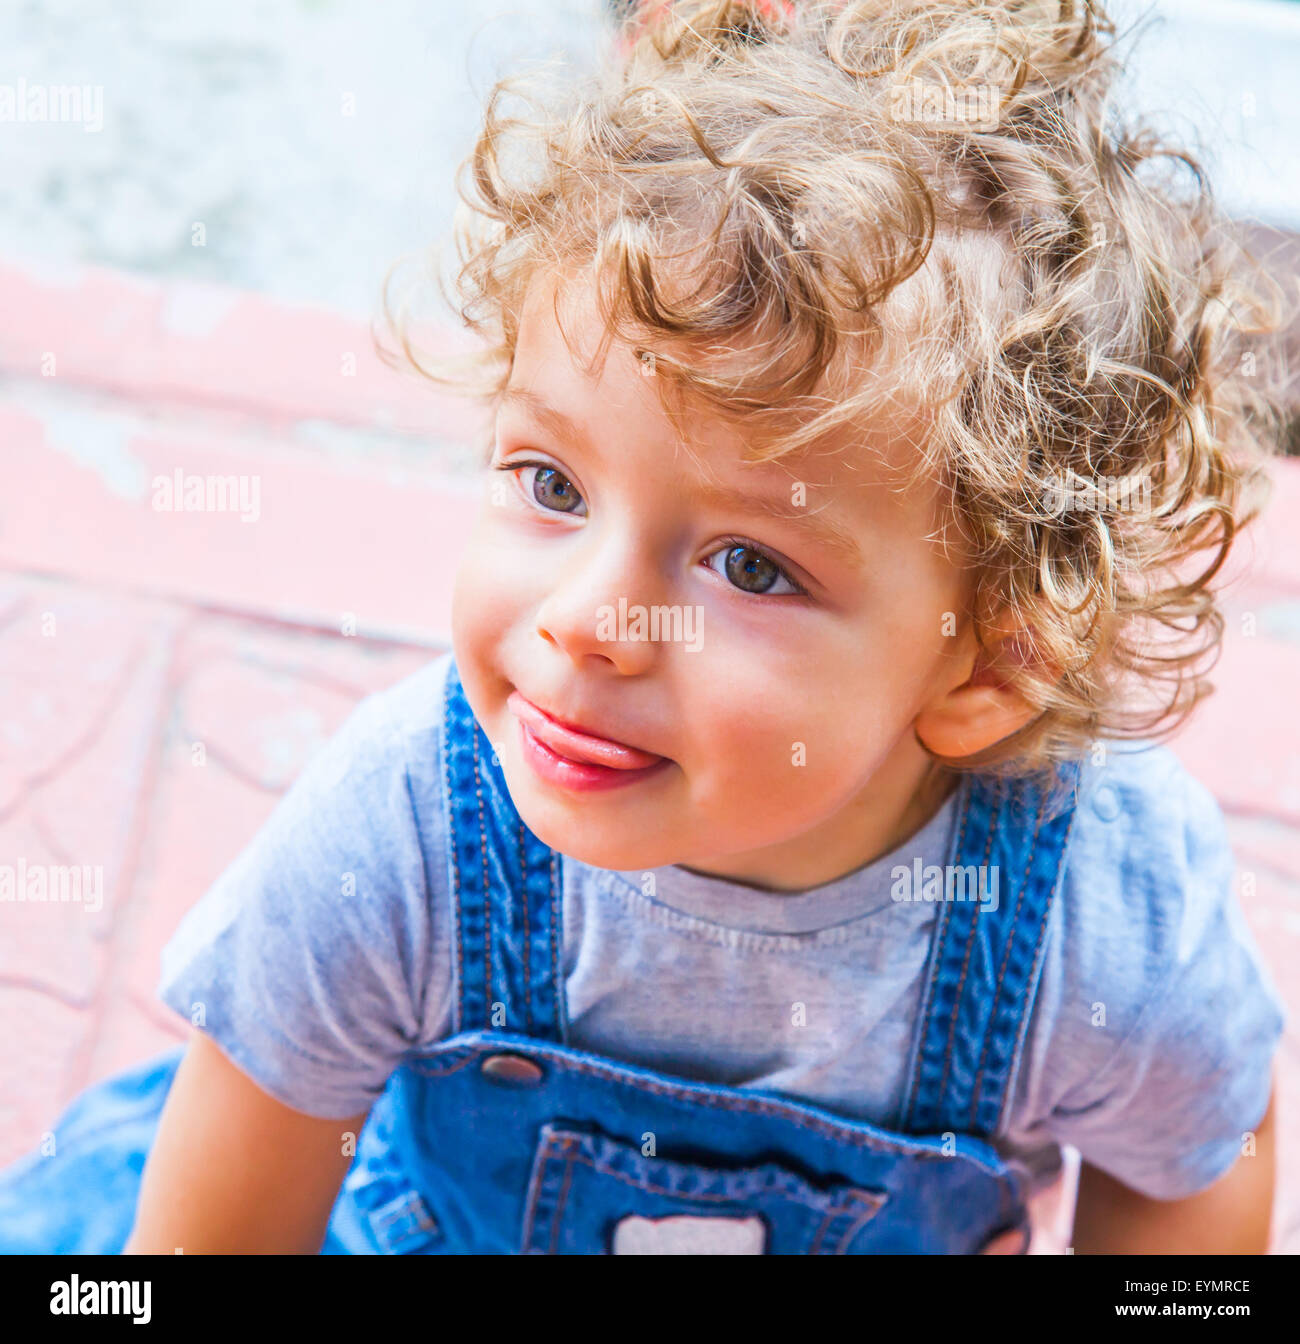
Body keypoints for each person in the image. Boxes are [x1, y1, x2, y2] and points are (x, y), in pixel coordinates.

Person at [0, 0, 1287, 1254]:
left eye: (748, 566)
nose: (587, 624)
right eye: (552, 485)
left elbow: (1188, 1174)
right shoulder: (403, 830)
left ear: (990, 662)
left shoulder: (1094, 912)